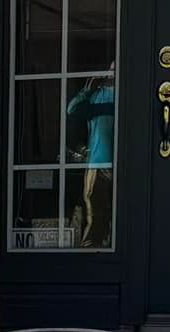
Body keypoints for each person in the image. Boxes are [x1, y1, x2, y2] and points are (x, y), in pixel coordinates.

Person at [66, 69, 115, 248]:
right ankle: (92, 247)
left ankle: (100, 245)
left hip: (115, 162)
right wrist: (87, 90)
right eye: (109, 71)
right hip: (99, 161)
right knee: (94, 209)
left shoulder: (125, 93)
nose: (111, 75)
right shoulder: (98, 95)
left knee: (107, 210)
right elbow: (72, 110)